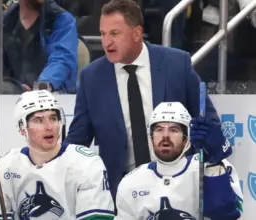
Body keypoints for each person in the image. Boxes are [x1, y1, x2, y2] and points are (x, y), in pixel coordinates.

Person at [65, 0, 218, 199]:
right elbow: (78, 140)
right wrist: (49, 161)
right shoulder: (91, 77)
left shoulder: (176, 64)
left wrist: (193, 169)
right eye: (103, 34)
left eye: (114, 33)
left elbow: (209, 121)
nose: (106, 42)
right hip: (120, 191)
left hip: (176, 183)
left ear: (137, 33)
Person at [0, 90, 115, 220]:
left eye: (53, 118)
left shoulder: (86, 163)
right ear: (22, 127)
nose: (49, 126)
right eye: (39, 120)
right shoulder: (3, 167)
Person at [115, 102, 243, 219]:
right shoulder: (130, 183)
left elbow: (226, 215)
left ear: (186, 138)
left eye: (173, 129)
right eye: (159, 129)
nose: (165, 135)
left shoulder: (209, 166)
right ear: (150, 137)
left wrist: (214, 165)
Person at [0, 0, 78, 93]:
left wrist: (41, 89)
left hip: (51, 98)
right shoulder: (0, 23)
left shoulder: (62, 20)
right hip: (6, 98)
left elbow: (62, 59)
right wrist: (8, 88)